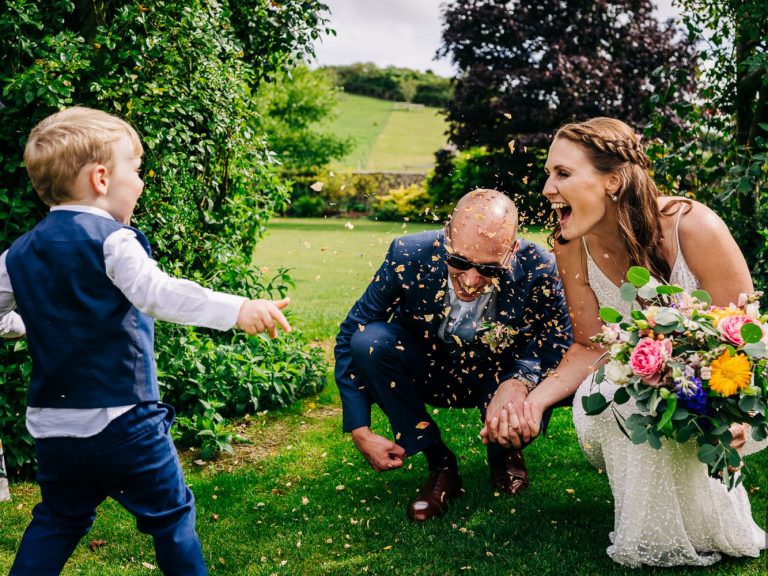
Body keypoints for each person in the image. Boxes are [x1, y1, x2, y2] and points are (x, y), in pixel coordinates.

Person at [0, 106, 292, 575]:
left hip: (53, 427)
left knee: (57, 518)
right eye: (134, 171)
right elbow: (158, 294)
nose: (139, 182)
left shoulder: (17, 253)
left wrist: (27, 324)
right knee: (170, 516)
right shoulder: (113, 240)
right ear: (100, 178)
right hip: (124, 421)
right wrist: (237, 309)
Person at [499, 117, 767, 567]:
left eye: (562, 174)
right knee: (622, 394)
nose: (547, 188)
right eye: (549, 174)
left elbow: (743, 331)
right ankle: (650, 535)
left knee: (665, 397)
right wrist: (534, 401)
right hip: (624, 387)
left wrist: (732, 410)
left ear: (615, 180)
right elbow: (589, 346)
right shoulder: (570, 244)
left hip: (726, 381)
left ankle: (706, 520)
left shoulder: (693, 226)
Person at [334, 189, 572, 522]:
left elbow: (558, 340)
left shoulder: (539, 267)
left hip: (498, 377)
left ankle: (504, 454)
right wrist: (360, 429)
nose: (472, 281)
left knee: (533, 382)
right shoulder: (408, 254)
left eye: (489, 269)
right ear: (447, 236)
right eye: (459, 262)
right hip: (430, 370)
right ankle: (440, 464)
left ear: (512, 249)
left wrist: (521, 379)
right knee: (369, 342)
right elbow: (351, 333)